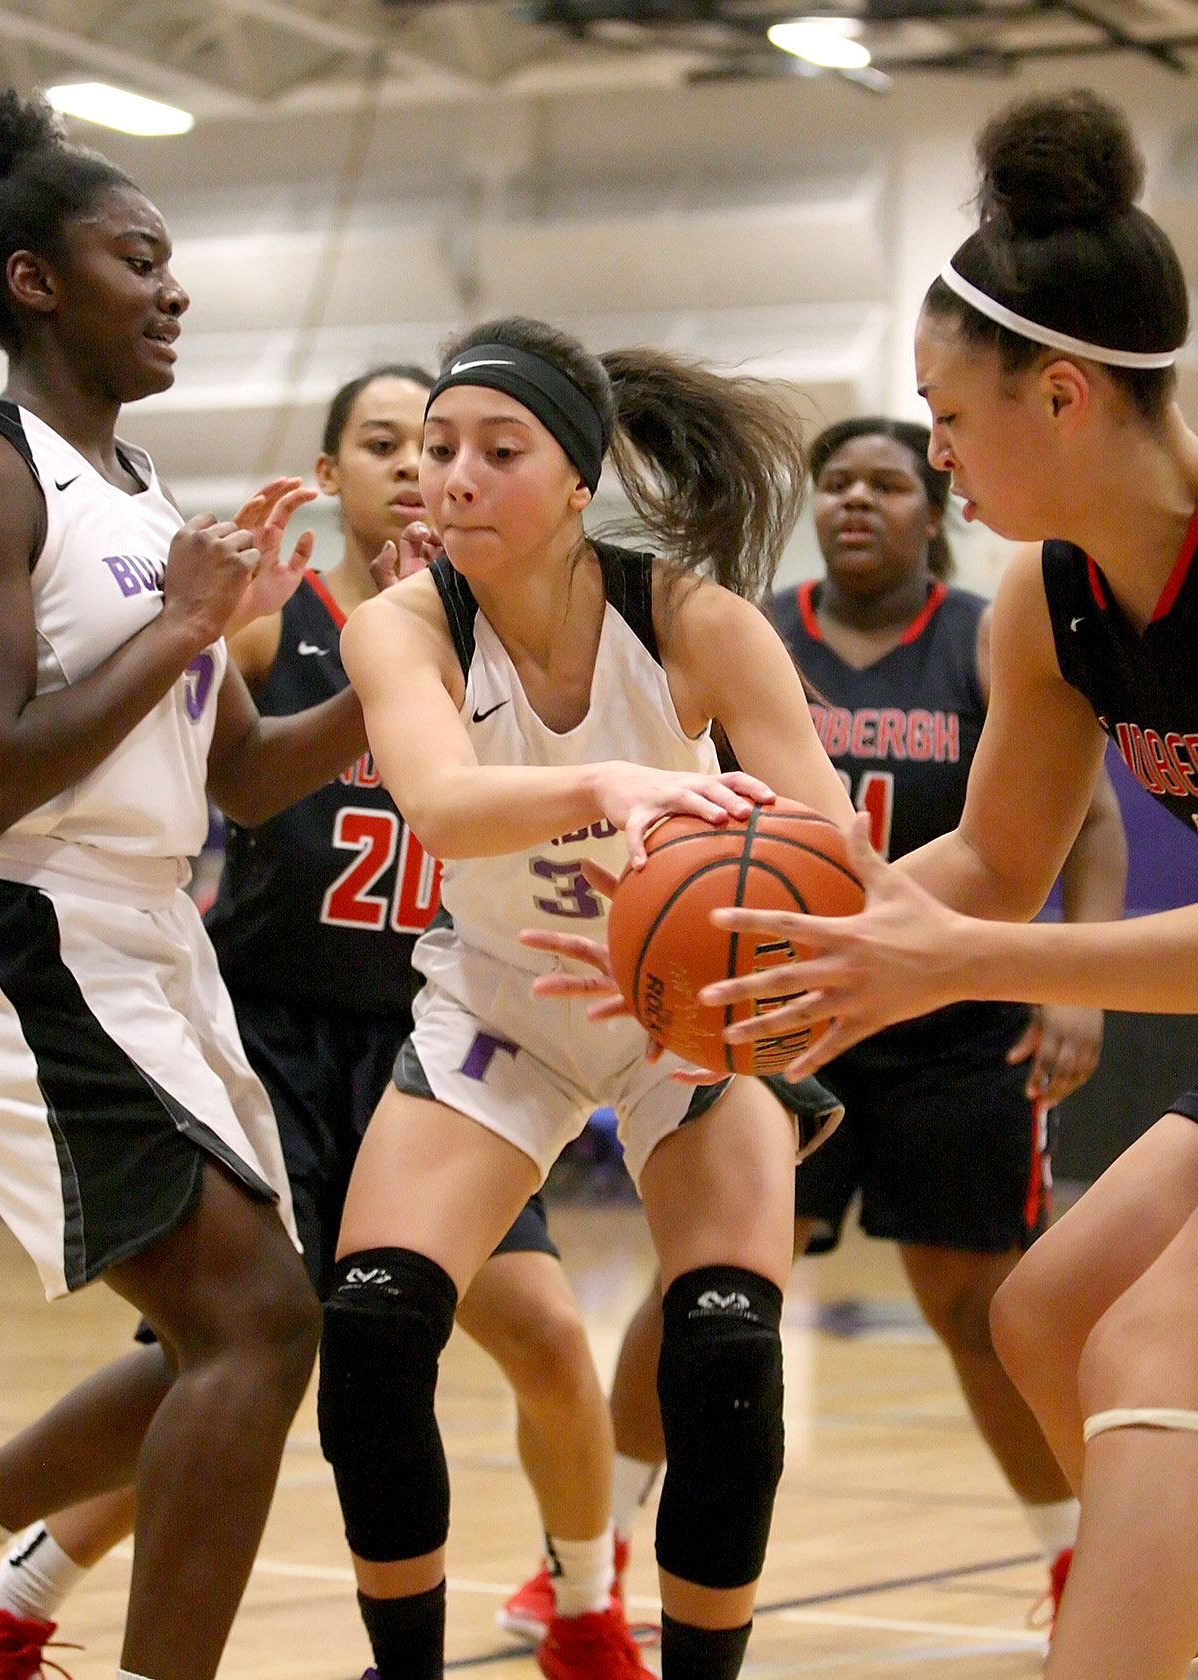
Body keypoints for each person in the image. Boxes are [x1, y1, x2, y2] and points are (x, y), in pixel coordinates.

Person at [0, 365, 626, 1680]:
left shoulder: (504, 630)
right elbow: (224, 753)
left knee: (544, 1332)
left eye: (425, 444)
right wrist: (212, 629)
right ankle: (21, 1587)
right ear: (332, 477)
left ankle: (584, 1602)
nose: (407, 466)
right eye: (379, 443)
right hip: (273, 1029)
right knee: (234, 1355)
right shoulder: (287, 623)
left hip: (442, 1044)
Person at [686, 89, 1198, 1680]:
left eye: (944, 416)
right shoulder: (1042, 604)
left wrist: (960, 958)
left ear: (1056, 396)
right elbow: (984, 860)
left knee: (1140, 1345)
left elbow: (979, 922)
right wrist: (771, 927)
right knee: (1039, 1318)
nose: (930, 454)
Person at [324, 313, 856, 1680]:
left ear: (574, 483)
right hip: (505, 1001)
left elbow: (829, 841)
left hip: (680, 1013)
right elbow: (440, 806)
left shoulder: (690, 622)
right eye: (436, 447)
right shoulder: (404, 623)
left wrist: (760, 949)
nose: (450, 474)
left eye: (496, 450)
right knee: (373, 1327)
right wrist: (613, 787)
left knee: (725, 1351)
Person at [0, 89, 376, 1680]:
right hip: (29, 916)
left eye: (173, 258)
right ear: (37, 282)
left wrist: (416, 646)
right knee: (255, 1325)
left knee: (242, 1322)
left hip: (147, 930)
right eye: (141, 259)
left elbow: (246, 776)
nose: (175, 287)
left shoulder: (140, 490)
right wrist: (187, 625)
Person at [581, 413, 1128, 1624]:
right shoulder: (750, 634)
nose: (858, 502)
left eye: (888, 481)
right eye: (837, 484)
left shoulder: (992, 636)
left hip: (954, 1014)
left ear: (931, 510)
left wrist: (1073, 978)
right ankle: (592, 1554)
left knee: (975, 1301)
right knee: (705, 1281)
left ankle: (1072, 1555)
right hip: (776, 1010)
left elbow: (1086, 823)